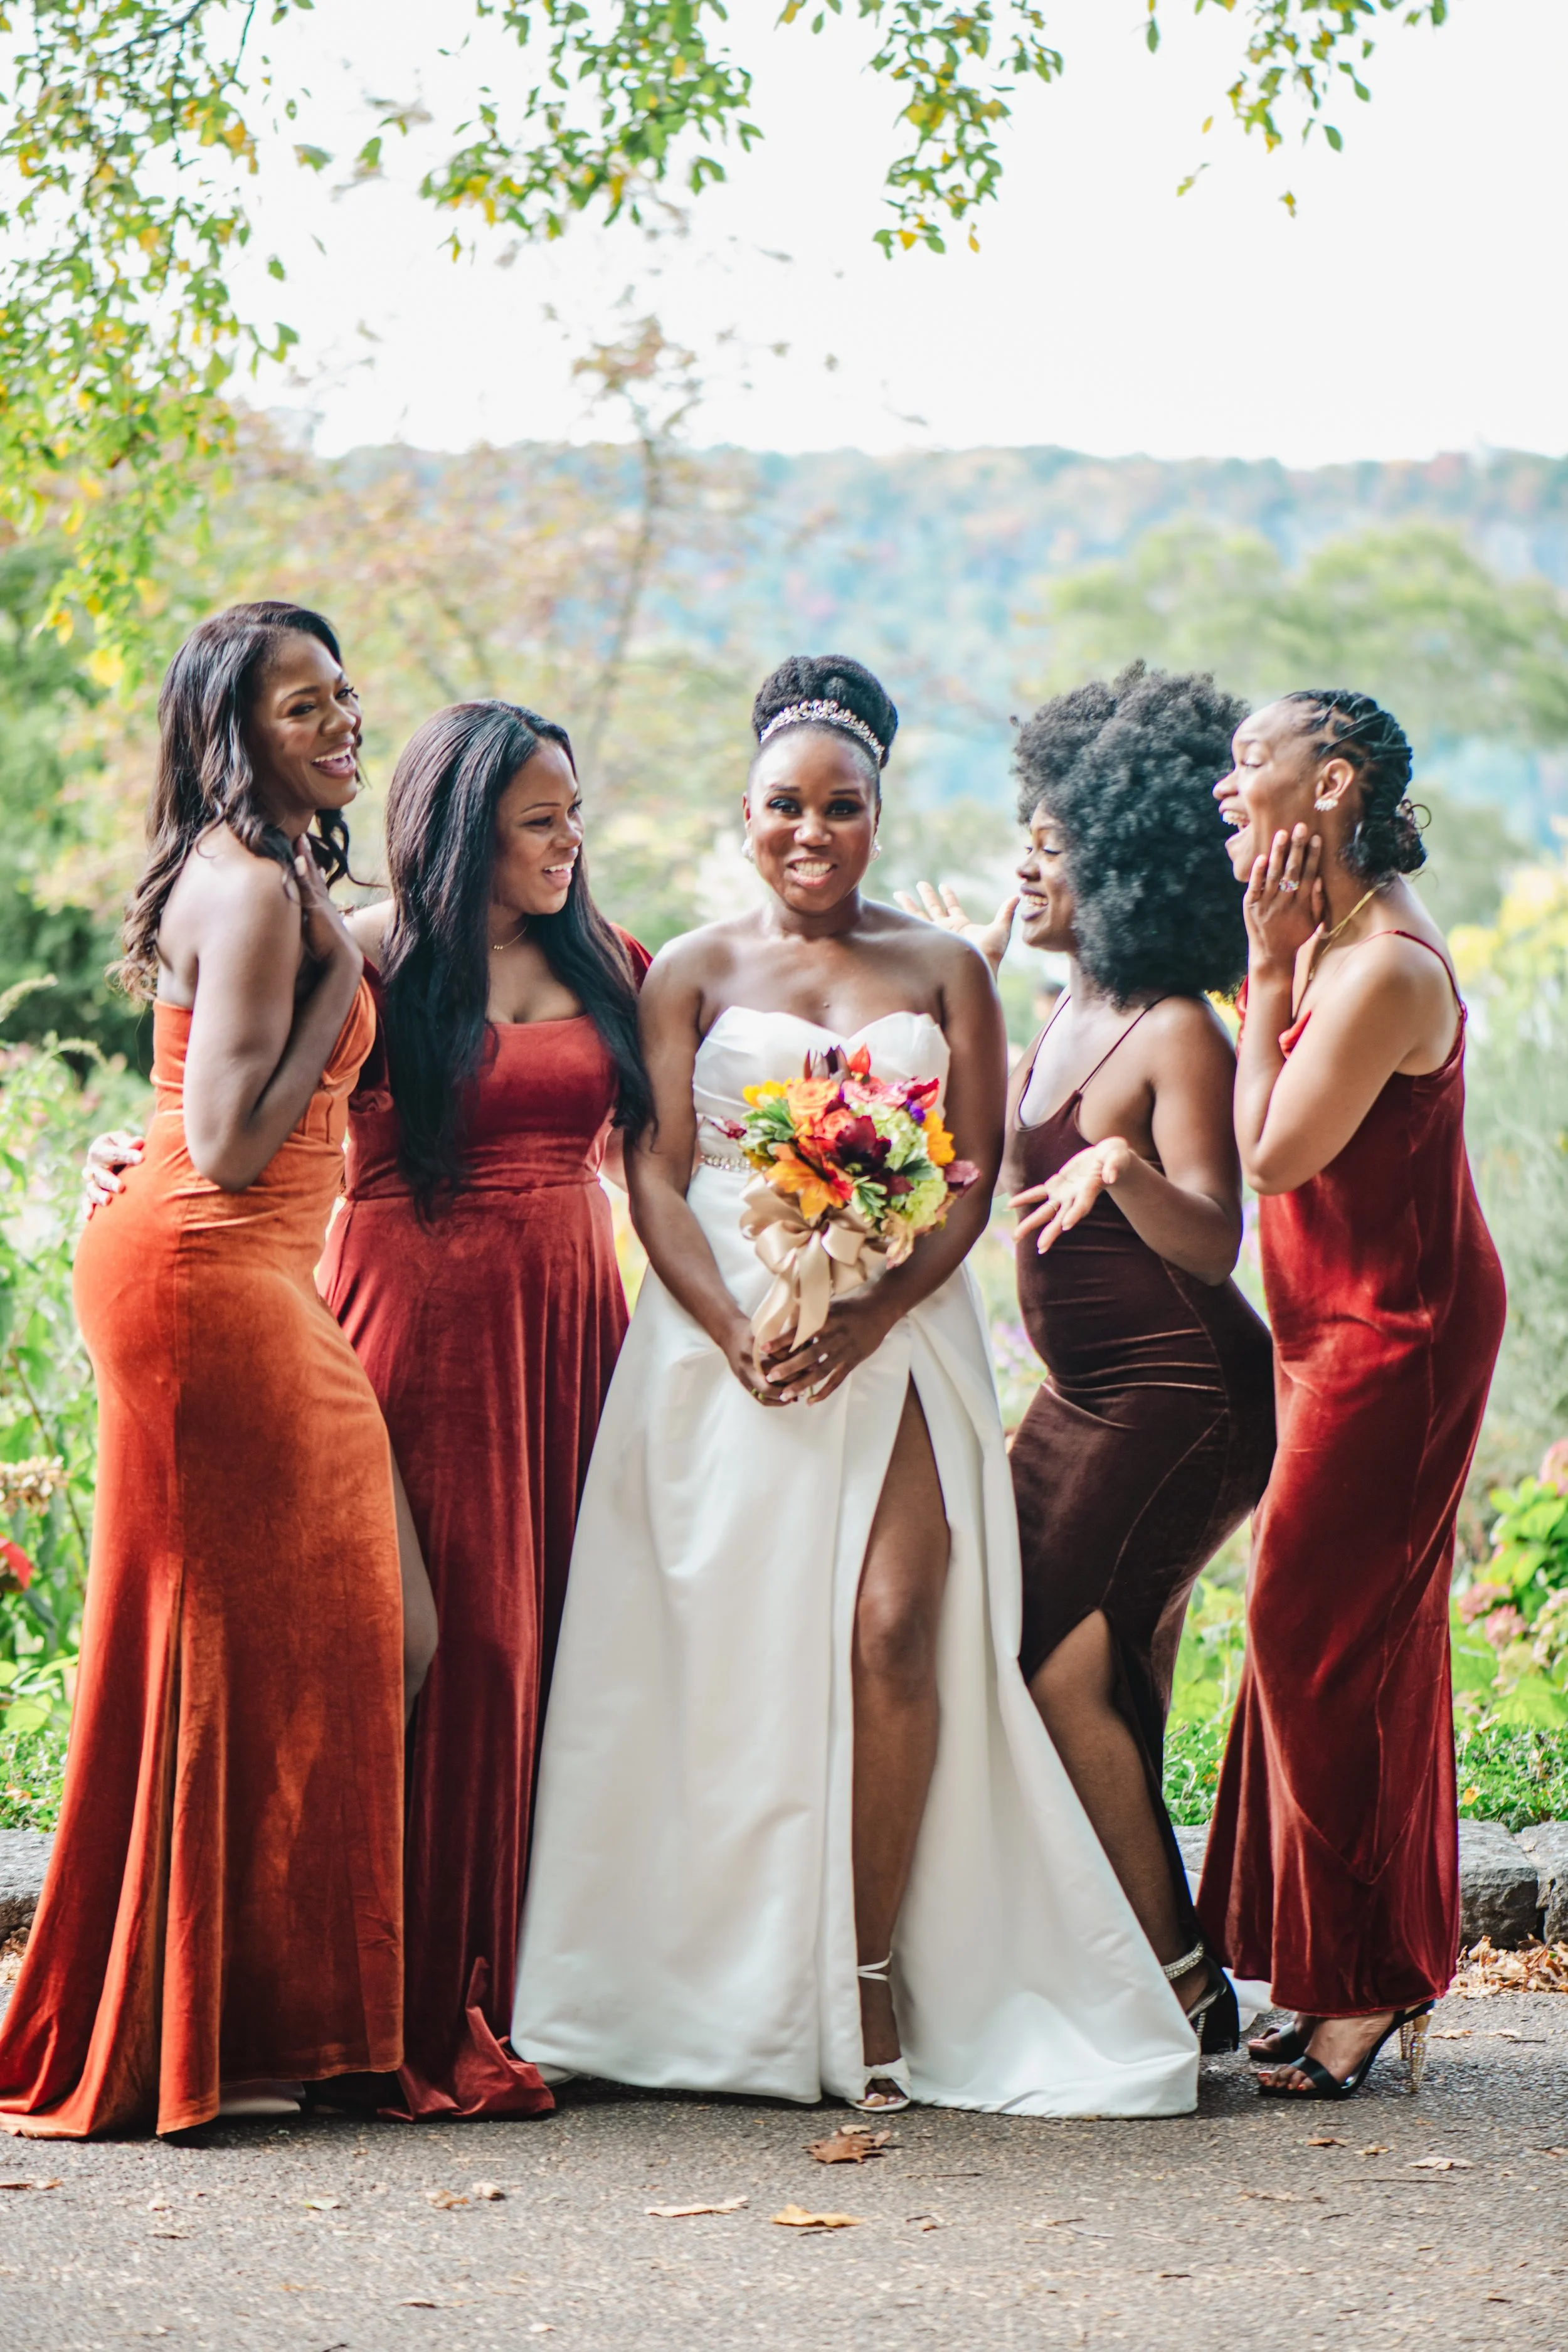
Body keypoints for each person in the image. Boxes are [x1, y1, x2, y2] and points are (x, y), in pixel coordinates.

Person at [511, 655, 1199, 2117]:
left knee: (896, 1628)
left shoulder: (942, 971)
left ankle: (871, 1968)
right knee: (719, 1657)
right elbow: (648, 1167)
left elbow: (967, 1184)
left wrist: (870, 1306)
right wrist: (728, 1323)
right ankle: (701, 1983)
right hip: (720, 1345)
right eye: (782, 807)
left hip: (891, 1336)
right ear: (742, 811)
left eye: (842, 807)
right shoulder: (685, 968)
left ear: (879, 814)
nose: (810, 832)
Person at [1, 601, 428, 2139]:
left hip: (215, 1260)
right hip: (208, 1276)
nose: (338, 723)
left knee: (335, 1631)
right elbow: (237, 1138)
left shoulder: (250, 875)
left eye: (341, 693)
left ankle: (245, 2016)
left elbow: (186, 1094)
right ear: (233, 735)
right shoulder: (259, 894)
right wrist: (334, 970)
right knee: (316, 1634)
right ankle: (216, 2032)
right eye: (299, 707)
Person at [903, 665, 1276, 2054]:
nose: (1029, 863)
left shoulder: (1176, 1029)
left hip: (1184, 1398)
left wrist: (1120, 1164)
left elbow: (1213, 1242)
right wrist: (974, 978)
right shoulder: (1049, 1010)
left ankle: (1181, 1992)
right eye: (1029, 837)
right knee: (1040, 1645)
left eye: (1057, 847)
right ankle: (1112, 1952)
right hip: (1080, 1400)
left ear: (1127, 863)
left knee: (1058, 1670)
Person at [318, 701, 650, 2119]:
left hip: (576, 1328)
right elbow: (236, 1116)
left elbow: (674, 1166)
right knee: (467, 1653)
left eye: (576, 810)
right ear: (464, 827)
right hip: (420, 1332)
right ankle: (406, 1995)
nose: (570, 838)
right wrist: (118, 1158)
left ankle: (548, 1986)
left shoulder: (614, 961)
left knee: (577, 1650)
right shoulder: (368, 955)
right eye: (538, 818)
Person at [1198, 689, 1507, 2101]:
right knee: (1354, 1637)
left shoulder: (1376, 964)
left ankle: (1368, 1977)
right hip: (1322, 1322)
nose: (1223, 783)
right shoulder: (1319, 935)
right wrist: (1270, 959)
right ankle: (1329, 1958)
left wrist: (1263, 981)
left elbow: (1268, 1155)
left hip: (1401, 1330)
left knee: (1303, 1629)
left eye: (1246, 761)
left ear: (1330, 786)